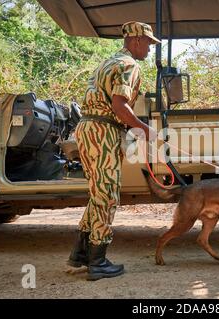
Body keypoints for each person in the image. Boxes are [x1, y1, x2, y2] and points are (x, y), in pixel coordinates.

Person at [67, 21, 160, 281]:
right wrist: (144, 129)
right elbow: (120, 106)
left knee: (98, 192)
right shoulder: (129, 65)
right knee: (107, 195)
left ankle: (80, 253)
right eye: (149, 44)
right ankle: (98, 262)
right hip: (103, 131)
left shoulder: (108, 62)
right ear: (137, 40)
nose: (150, 50)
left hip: (87, 128)